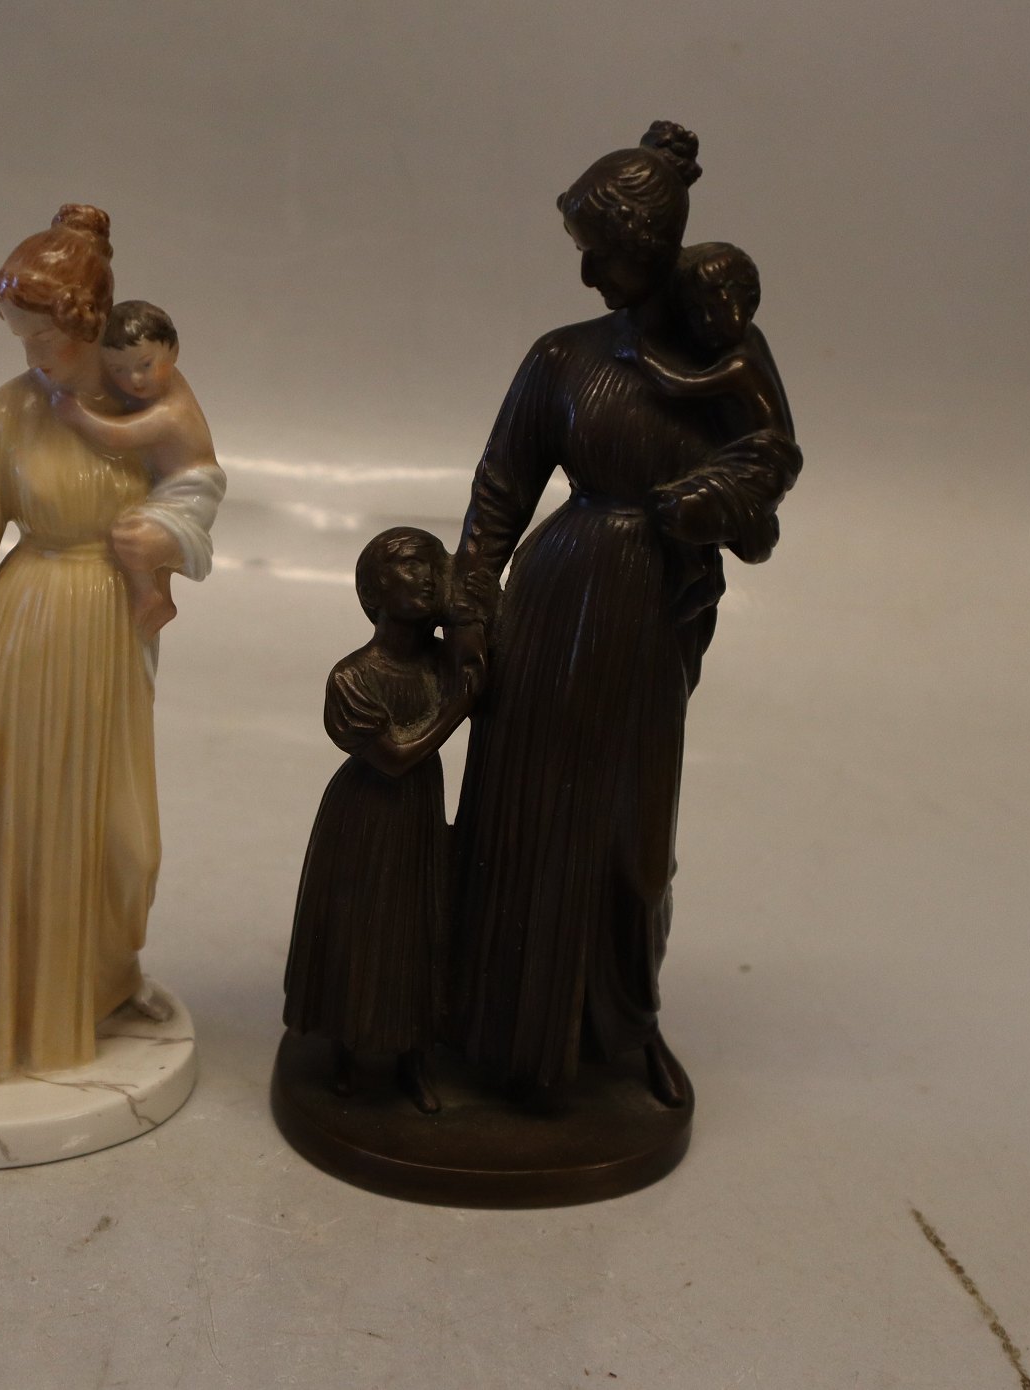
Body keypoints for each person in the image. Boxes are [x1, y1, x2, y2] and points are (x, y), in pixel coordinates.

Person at [450, 122, 802, 1103]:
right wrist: (470, 607)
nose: (587, 275)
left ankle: (620, 1025)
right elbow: (499, 493)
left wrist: (722, 504)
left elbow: (768, 470)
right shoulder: (560, 357)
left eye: (599, 252)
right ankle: (496, 1027)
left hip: (650, 610)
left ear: (647, 247)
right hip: (554, 594)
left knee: (630, 828)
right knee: (521, 814)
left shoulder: (729, 356)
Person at [0, 205, 220, 1076]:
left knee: (126, 843)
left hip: (111, 636)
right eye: (18, 338)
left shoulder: (149, 400)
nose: (30, 356)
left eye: (42, 337)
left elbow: (198, 491)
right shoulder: (7, 415)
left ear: (88, 324)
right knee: (23, 836)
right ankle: (14, 1009)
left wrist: (168, 535)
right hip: (28, 629)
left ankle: (100, 979)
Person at [283, 528, 477, 1113]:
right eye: (407, 567)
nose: (424, 578)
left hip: (418, 814)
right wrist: (458, 706)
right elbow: (393, 758)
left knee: (420, 927)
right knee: (360, 929)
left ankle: (414, 1059)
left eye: (430, 567)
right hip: (366, 816)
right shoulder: (353, 678)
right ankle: (346, 1048)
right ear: (373, 589)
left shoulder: (444, 660)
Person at [50, 299, 225, 640]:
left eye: (145, 365)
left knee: (131, 536)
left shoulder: (172, 412)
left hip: (191, 490)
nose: (134, 379)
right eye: (118, 370)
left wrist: (78, 415)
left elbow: (119, 436)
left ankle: (151, 596)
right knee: (140, 535)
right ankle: (157, 591)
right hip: (166, 484)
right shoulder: (159, 386)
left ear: (173, 351)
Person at [618, 240, 798, 563]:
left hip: (764, 466)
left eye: (716, 309)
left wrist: (642, 357)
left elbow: (682, 385)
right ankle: (751, 526)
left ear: (749, 302)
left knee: (679, 511)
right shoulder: (744, 342)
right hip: (744, 461)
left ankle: (752, 528)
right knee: (677, 508)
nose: (708, 321)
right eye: (696, 314)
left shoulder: (741, 364)